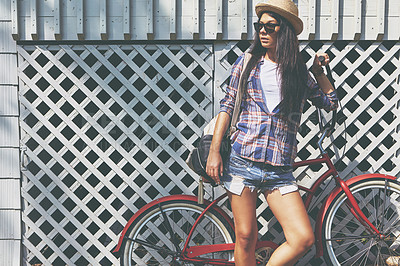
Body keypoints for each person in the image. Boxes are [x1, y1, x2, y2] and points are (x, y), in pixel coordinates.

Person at [205, 0, 338, 265]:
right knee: (245, 237)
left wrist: (319, 71)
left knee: (302, 238)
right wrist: (214, 151)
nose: (262, 31)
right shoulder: (247, 64)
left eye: (269, 26)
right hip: (243, 163)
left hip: (279, 170)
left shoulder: (298, 72)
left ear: (284, 30)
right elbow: (227, 106)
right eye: (259, 26)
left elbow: (329, 102)